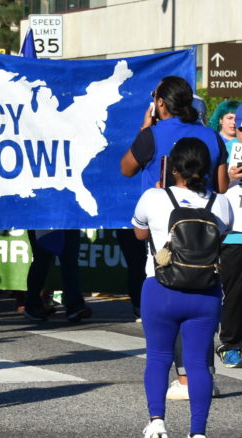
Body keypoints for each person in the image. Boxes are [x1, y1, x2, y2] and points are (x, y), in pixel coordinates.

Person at [121, 76, 228, 400]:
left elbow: (126, 168)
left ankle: (182, 381)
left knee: (171, 291)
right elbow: (222, 186)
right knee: (199, 290)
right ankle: (199, 375)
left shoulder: (152, 135)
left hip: (161, 227)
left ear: (161, 104)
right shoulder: (210, 135)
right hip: (205, 225)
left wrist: (145, 128)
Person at [133, 138, 232, 438]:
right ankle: (198, 432)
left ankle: (157, 421)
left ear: (173, 167)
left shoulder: (153, 197)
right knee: (199, 364)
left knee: (159, 356)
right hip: (204, 294)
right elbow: (221, 236)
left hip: (160, 289)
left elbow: (140, 233)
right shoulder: (221, 203)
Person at [22, 229, 92, 322]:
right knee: (41, 260)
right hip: (41, 218)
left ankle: (75, 305)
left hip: (67, 219)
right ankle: (33, 305)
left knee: (70, 260)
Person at [218, 107, 242, 369]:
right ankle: (231, 344)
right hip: (234, 233)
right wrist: (230, 177)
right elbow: (211, 186)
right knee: (235, 293)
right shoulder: (224, 150)